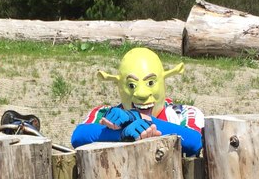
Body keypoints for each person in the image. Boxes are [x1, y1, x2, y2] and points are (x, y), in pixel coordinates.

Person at [70, 47, 204, 156]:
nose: (142, 94)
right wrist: (123, 134)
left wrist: (140, 118)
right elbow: (79, 137)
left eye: (150, 83)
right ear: (120, 86)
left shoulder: (182, 113)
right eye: (131, 85)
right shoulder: (105, 114)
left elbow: (195, 142)